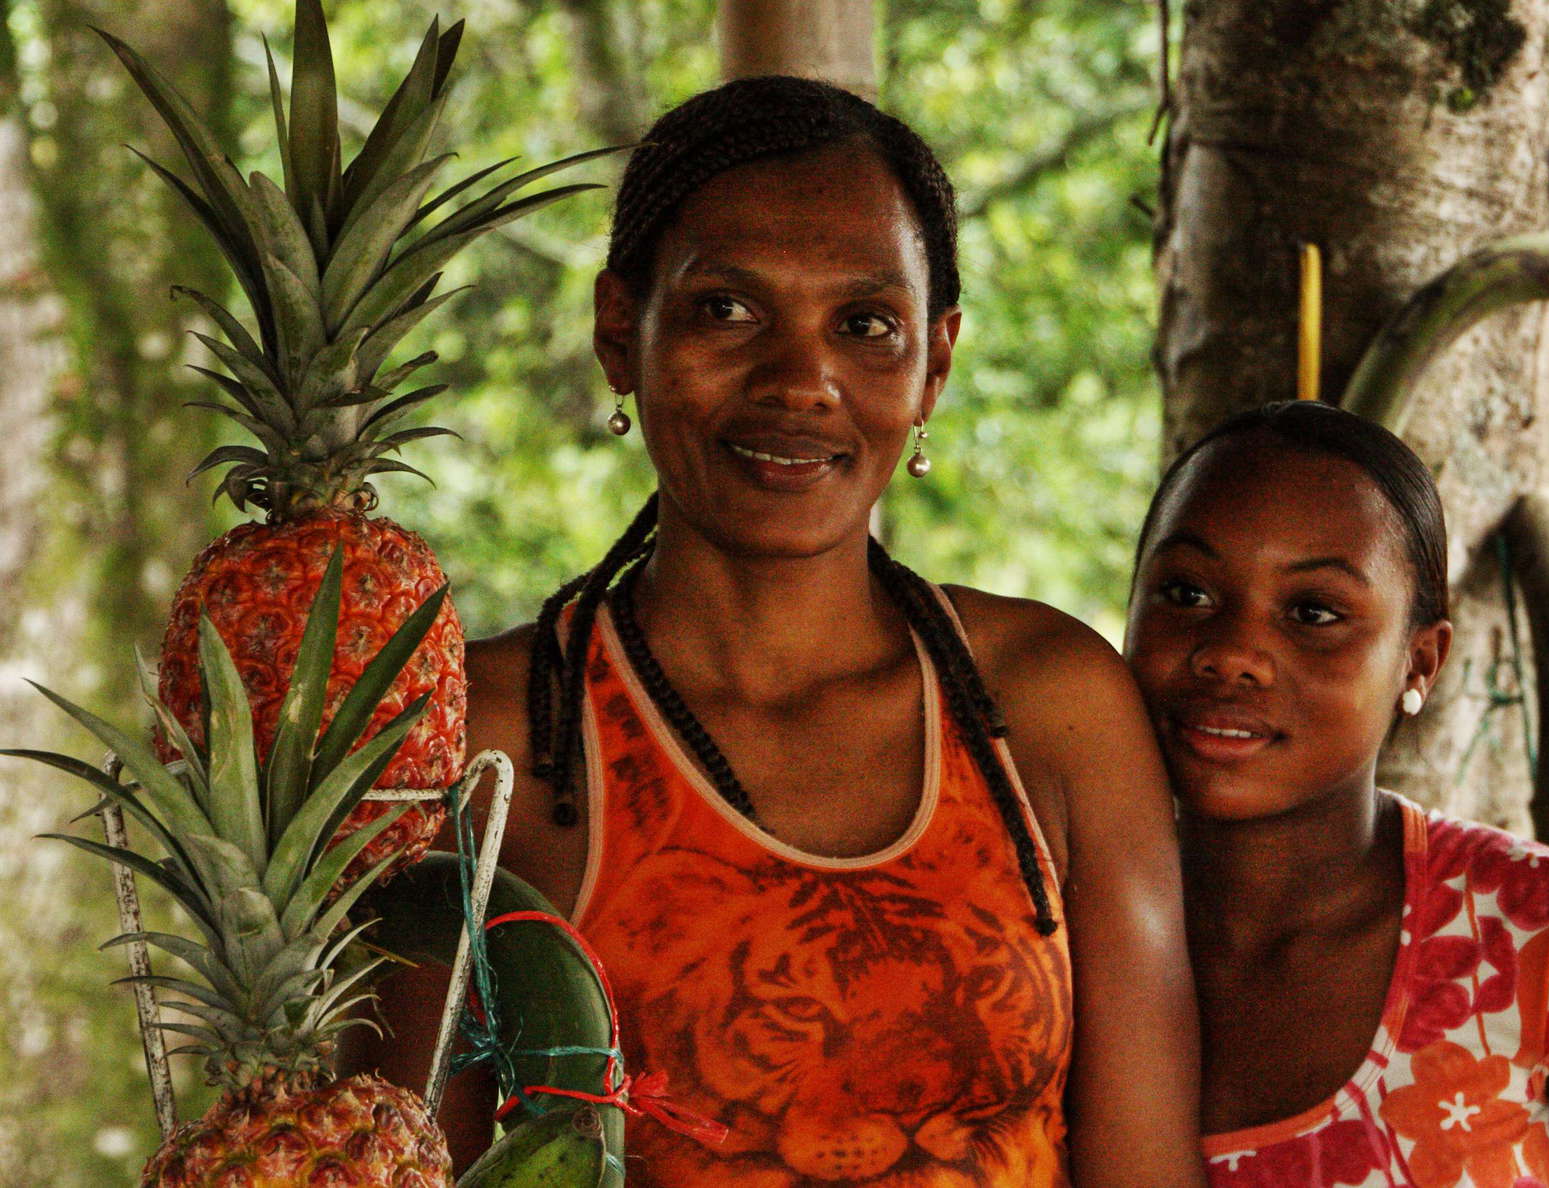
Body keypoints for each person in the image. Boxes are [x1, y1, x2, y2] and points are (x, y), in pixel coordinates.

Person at [346, 76, 1203, 1186]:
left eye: (866, 326)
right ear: (620, 332)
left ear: (934, 363)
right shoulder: (493, 739)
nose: (802, 382)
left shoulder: (1047, 706)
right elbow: (396, 1167)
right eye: (726, 310)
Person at [1122, 400, 1549, 1187]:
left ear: (1420, 664)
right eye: (1187, 593)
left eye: (1313, 613)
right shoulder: (1043, 942)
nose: (1234, 654)